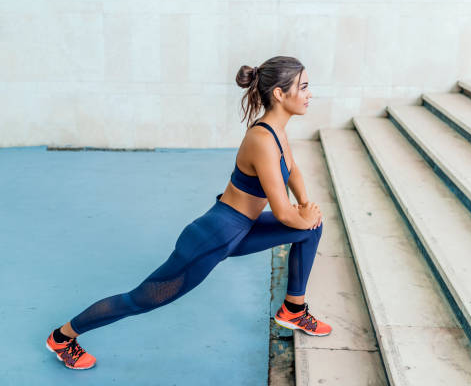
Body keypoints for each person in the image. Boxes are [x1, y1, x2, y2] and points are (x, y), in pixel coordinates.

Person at [46, 56, 331, 370]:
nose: (309, 94)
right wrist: (302, 213)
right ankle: (62, 336)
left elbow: (293, 172)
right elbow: (282, 211)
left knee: (311, 227)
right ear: (279, 94)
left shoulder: (278, 131)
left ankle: (293, 309)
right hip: (212, 237)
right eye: (303, 87)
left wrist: (307, 206)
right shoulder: (261, 138)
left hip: (241, 231)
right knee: (140, 300)